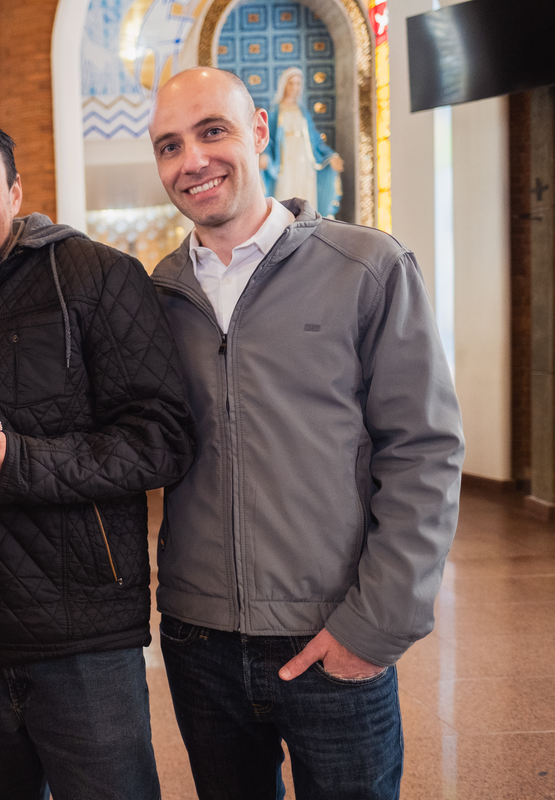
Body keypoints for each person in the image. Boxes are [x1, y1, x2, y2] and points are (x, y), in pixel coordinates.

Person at [146, 67, 463, 799]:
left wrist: (375, 627)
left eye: (212, 131)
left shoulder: (367, 267)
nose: (191, 160)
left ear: (259, 132)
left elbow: (424, 451)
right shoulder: (157, 296)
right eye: (169, 145)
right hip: (201, 641)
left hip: (334, 631)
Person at [0, 113, 195, 800]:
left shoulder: (95, 277)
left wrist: (15, 464)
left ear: (14, 191)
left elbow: (162, 439)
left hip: (82, 637)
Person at [260, 66, 343, 217]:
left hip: (304, 161)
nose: (294, 87)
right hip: (285, 161)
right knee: (286, 191)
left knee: (306, 194)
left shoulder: (302, 111)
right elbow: (268, 137)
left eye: (298, 83)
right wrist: (265, 154)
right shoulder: (275, 111)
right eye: (291, 83)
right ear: (284, 85)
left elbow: (315, 139)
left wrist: (331, 155)